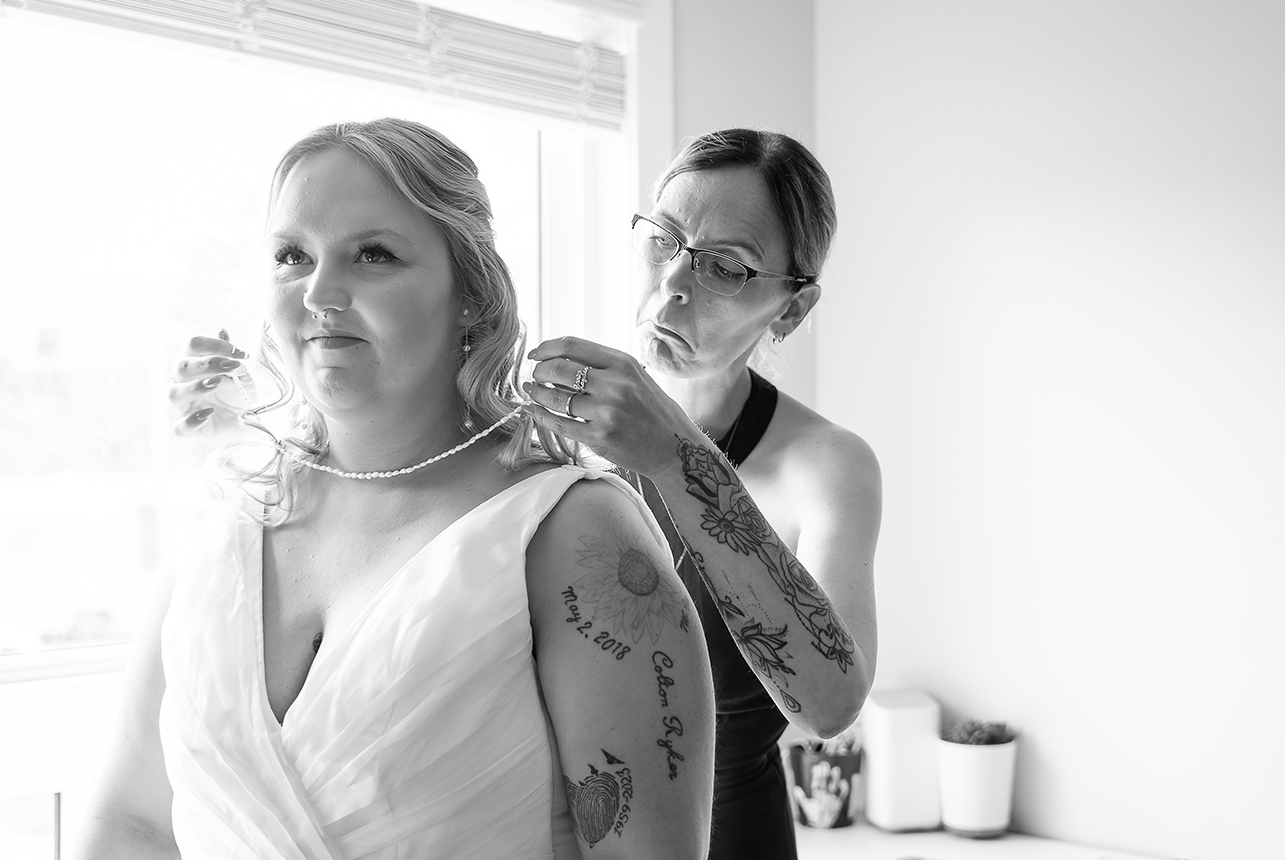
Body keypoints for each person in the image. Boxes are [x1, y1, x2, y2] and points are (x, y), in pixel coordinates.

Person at [172, 128, 880, 860]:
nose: (673, 282)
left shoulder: (824, 463)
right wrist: (244, 416)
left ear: (791, 310)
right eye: (662, 241)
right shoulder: (552, 414)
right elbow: (398, 435)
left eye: (725, 267)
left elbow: (831, 704)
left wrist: (675, 458)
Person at [76, 118, 715, 860]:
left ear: (469, 293)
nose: (319, 292)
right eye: (292, 256)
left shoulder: (574, 532)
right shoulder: (226, 514)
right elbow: (134, 823)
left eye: (372, 255)